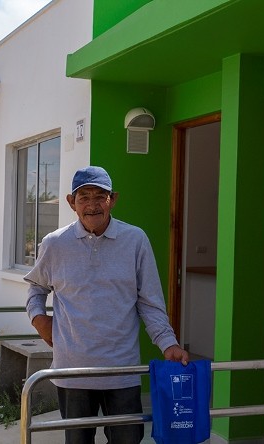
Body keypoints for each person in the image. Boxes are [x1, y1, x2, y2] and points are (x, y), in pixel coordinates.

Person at [25, 165, 189, 444]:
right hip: (72, 372)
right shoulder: (54, 244)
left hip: (121, 372)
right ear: (71, 202)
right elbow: (36, 288)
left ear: (113, 199)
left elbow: (149, 302)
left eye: (100, 196)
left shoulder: (135, 240)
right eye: (84, 197)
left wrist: (168, 343)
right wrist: (39, 320)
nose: (92, 205)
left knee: (127, 439)